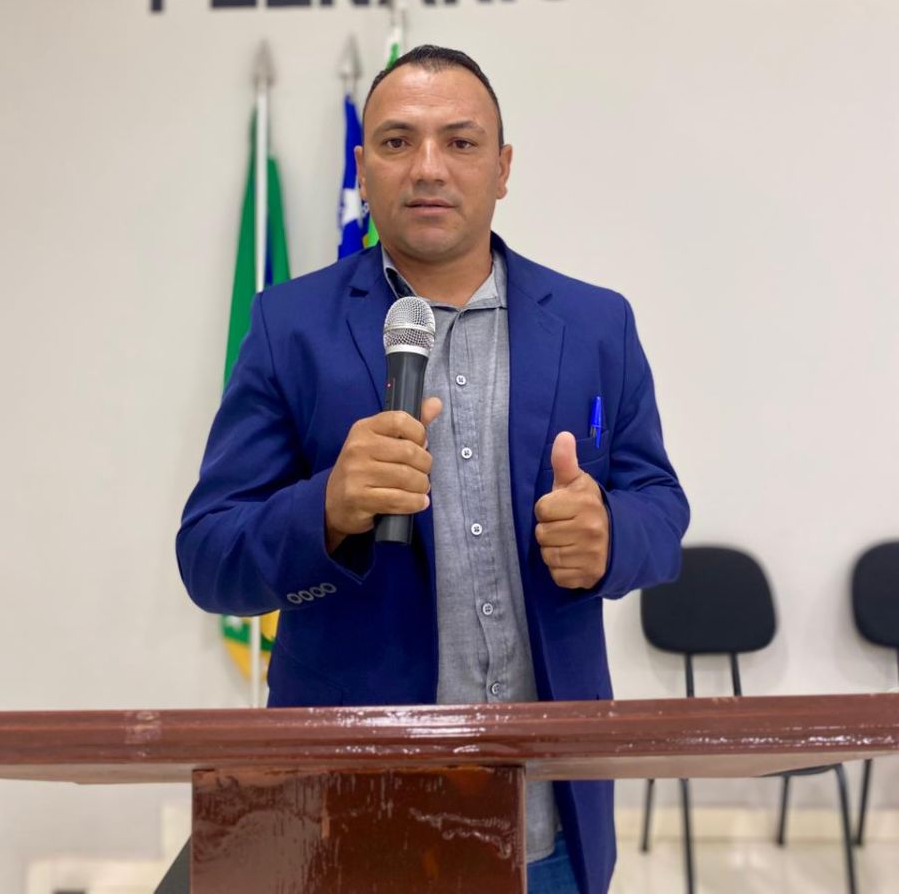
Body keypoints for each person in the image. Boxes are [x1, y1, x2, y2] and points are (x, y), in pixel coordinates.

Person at [177, 44, 689, 894]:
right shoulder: (287, 327)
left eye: (460, 141)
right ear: (362, 167)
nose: (427, 168)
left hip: (551, 817)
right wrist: (326, 509)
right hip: (348, 818)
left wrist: (611, 538)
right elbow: (208, 557)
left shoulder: (597, 324)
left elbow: (660, 508)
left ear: (503, 167)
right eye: (396, 142)